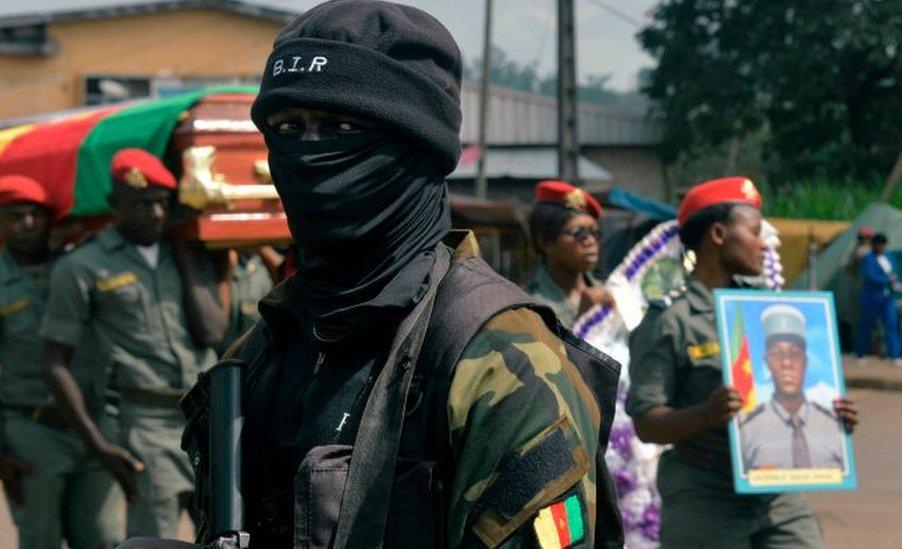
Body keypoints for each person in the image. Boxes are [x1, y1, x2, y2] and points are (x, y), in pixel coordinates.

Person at [132, 2, 623, 548]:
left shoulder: (500, 360)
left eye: (343, 127)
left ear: (419, 145)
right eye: (287, 128)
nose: (308, 153)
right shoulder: (263, 349)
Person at [626, 176, 859, 548]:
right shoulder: (670, 319)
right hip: (704, 494)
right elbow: (646, 422)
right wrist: (706, 413)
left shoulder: (768, 308)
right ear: (718, 233)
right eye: (755, 232)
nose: (765, 244)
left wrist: (830, 418)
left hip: (776, 492)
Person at [39, 149, 229, 539]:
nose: (156, 215)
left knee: (224, 532)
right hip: (142, 423)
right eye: (142, 205)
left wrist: (184, 254)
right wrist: (95, 443)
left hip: (206, 417)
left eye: (162, 204)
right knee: (156, 540)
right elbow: (53, 360)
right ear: (114, 206)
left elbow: (212, 333)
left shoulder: (187, 252)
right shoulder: (82, 266)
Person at [0, 175, 125, 548]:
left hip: (93, 424)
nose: (27, 223)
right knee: (41, 540)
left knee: (104, 537)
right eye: (15, 215)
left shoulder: (78, 267)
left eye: (37, 214)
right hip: (32, 429)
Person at [740, 305, 846, 472]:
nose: (786, 363)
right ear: (767, 362)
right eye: (776, 354)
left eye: (794, 354)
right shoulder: (748, 428)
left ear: (805, 362)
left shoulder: (832, 424)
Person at [525, 180, 614, 328]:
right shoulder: (530, 307)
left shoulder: (608, 289)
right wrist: (583, 323)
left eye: (594, 232)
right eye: (577, 233)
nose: (590, 241)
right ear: (544, 241)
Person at [855, 233, 902, 367]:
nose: (882, 247)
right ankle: (860, 353)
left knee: (891, 325)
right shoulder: (868, 259)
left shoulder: (889, 258)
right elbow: (871, 277)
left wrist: (896, 283)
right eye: (880, 245)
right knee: (866, 326)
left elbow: (894, 273)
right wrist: (888, 281)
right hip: (871, 298)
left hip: (887, 299)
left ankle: (895, 355)